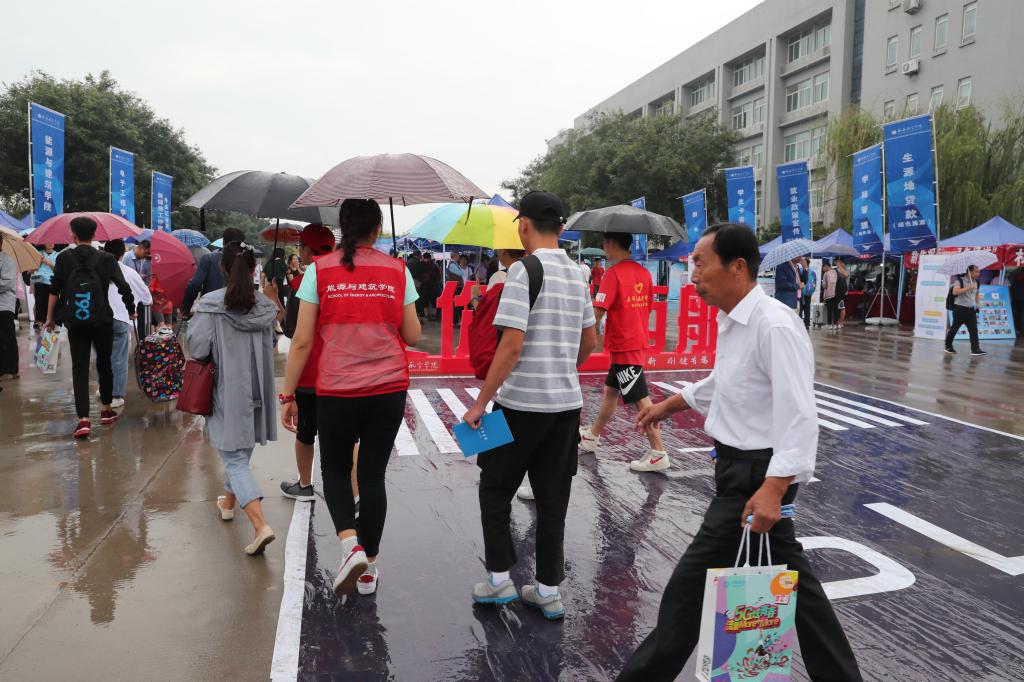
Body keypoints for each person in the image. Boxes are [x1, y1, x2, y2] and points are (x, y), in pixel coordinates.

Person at [616, 223, 861, 681]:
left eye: (701, 264)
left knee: (687, 594)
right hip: (738, 470)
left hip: (755, 479)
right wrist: (668, 405)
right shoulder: (734, 320)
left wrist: (775, 487)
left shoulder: (774, 324)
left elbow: (799, 413)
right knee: (799, 593)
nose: (693, 275)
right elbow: (727, 383)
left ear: (738, 267)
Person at [462, 190, 597, 620]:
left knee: (495, 489)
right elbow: (590, 341)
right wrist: (562, 369)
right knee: (552, 499)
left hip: (518, 406)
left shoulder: (523, 271)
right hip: (565, 409)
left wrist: (480, 403)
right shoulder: (578, 274)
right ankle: (547, 591)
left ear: (523, 226)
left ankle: (499, 580)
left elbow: (510, 346)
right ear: (560, 227)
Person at [281, 198, 421, 596]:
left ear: (343, 228)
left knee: (336, 470)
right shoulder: (398, 270)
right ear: (377, 229)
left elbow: (302, 340)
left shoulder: (319, 270)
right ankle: (368, 567)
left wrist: (288, 393)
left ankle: (349, 545)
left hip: (337, 390)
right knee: (372, 476)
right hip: (388, 389)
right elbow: (412, 335)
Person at [186, 242, 281, 555]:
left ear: (223, 268)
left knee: (235, 459)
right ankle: (228, 502)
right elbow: (274, 340)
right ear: (254, 269)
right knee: (240, 452)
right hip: (258, 390)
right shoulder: (265, 306)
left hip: (227, 390)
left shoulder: (210, 305)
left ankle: (260, 526)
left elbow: (198, 348)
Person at [578, 232, 668, 472]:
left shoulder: (613, 274)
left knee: (641, 400)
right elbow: (648, 306)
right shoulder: (643, 273)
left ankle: (658, 452)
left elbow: (598, 311)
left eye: (604, 243)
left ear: (610, 243)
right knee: (610, 391)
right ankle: (593, 435)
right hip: (635, 340)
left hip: (624, 345)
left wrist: (580, 337)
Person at [45, 216, 135, 439]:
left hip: (75, 322)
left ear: (73, 235)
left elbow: (54, 290)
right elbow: (124, 287)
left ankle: (83, 420)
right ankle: (106, 409)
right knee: (104, 364)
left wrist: (50, 318)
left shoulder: (64, 258)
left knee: (79, 367)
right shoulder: (107, 258)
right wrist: (131, 309)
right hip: (101, 320)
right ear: (95, 235)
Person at [277, 223, 337, 501]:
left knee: (305, 432)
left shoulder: (302, 284)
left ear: (308, 251)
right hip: (341, 372)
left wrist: (275, 301)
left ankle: (304, 485)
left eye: (301, 247)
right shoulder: (345, 280)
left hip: (309, 373)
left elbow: (292, 332)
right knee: (346, 437)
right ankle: (351, 492)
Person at [103, 240, 152, 410]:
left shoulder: (96, 270)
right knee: (119, 358)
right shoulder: (130, 273)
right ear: (122, 255)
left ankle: (104, 389)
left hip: (99, 318)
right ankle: (116, 395)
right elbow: (147, 298)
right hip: (121, 317)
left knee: (103, 356)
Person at [182, 227, 247, 315]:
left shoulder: (209, 258)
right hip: (235, 312)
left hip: (209, 310)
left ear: (223, 242)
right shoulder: (245, 261)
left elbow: (195, 284)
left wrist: (186, 308)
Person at [944, 265, 986, 356]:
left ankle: (975, 349)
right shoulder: (959, 281)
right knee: (954, 328)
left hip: (971, 310)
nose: (978, 273)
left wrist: (978, 304)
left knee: (973, 329)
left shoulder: (977, 282)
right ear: (970, 272)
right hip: (960, 309)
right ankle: (948, 346)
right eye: (976, 271)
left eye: (979, 272)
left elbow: (976, 293)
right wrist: (968, 287)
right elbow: (955, 292)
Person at [0, 233, 18, 380]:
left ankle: (11, 369)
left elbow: (7, 283)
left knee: (7, 338)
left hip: (4, 306)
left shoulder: (8, 262)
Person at [30, 244, 59, 328]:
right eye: (48, 242)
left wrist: (49, 263)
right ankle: (39, 322)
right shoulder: (38, 253)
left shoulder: (58, 255)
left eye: (52, 241)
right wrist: (38, 263)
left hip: (51, 281)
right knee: (39, 302)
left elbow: (58, 270)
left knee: (51, 304)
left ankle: (51, 323)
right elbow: (31, 269)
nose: (50, 243)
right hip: (39, 280)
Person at [799, 257, 817, 329]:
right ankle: (803, 323)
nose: (801, 262)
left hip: (807, 293)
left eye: (803, 261)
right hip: (802, 292)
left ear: (806, 262)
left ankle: (806, 323)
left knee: (805, 308)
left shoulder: (811, 272)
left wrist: (812, 291)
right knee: (802, 308)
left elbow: (814, 282)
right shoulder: (801, 270)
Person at [822, 261, 839, 329]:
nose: (823, 269)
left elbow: (824, 285)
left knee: (829, 310)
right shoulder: (835, 272)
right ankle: (835, 324)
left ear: (826, 266)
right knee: (835, 309)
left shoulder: (826, 274)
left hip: (828, 295)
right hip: (836, 294)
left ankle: (829, 324)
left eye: (823, 267)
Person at [835, 258, 850, 329]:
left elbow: (846, 275)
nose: (837, 264)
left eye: (838, 262)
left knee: (842, 307)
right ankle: (837, 322)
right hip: (836, 292)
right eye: (836, 262)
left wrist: (839, 266)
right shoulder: (837, 270)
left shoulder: (846, 270)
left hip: (843, 292)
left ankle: (841, 323)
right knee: (837, 307)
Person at [1010, 269, 1024, 336]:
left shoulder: (1015, 282)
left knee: (1019, 315)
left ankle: (1019, 329)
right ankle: (1017, 329)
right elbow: (1012, 291)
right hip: (1017, 300)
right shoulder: (1015, 282)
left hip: (1019, 300)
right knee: (1018, 315)